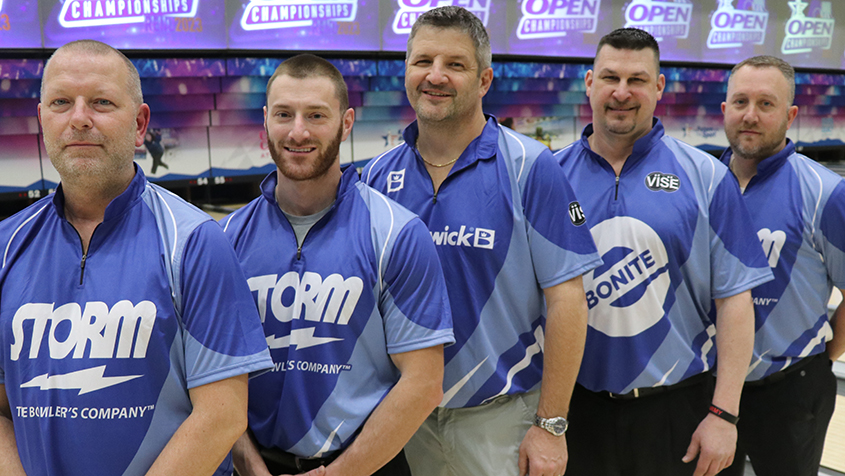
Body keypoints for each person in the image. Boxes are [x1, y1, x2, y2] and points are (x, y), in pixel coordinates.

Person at [0, 40, 273, 476]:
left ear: (140, 123)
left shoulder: (195, 241)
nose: (79, 118)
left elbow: (221, 416)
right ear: (41, 120)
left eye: (102, 102)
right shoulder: (6, 245)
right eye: (61, 103)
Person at [363, 7, 602, 476]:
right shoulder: (374, 177)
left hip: (500, 418)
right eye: (422, 61)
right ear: (406, 71)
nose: (436, 76)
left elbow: (569, 300)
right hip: (398, 419)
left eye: (455, 64)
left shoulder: (530, 167)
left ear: (485, 79)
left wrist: (552, 424)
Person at [221, 54, 454, 476]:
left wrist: (340, 473)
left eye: (316, 115)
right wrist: (251, 468)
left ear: (346, 123)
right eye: (284, 114)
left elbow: (423, 384)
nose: (298, 131)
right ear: (265, 120)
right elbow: (211, 377)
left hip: (364, 466)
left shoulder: (395, 233)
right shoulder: (224, 239)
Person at [554, 28, 773, 476]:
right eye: (610, 77)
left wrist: (725, 415)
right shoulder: (548, 178)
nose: (621, 92)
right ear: (590, 82)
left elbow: (735, 302)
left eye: (637, 79)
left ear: (658, 88)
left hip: (677, 408)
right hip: (572, 408)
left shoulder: (706, 177)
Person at [718, 55, 845, 476]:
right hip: (707, 387)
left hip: (789, 390)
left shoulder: (825, 193)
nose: (750, 115)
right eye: (740, 102)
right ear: (724, 110)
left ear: (790, 115)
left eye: (766, 104)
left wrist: (826, 357)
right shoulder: (700, 183)